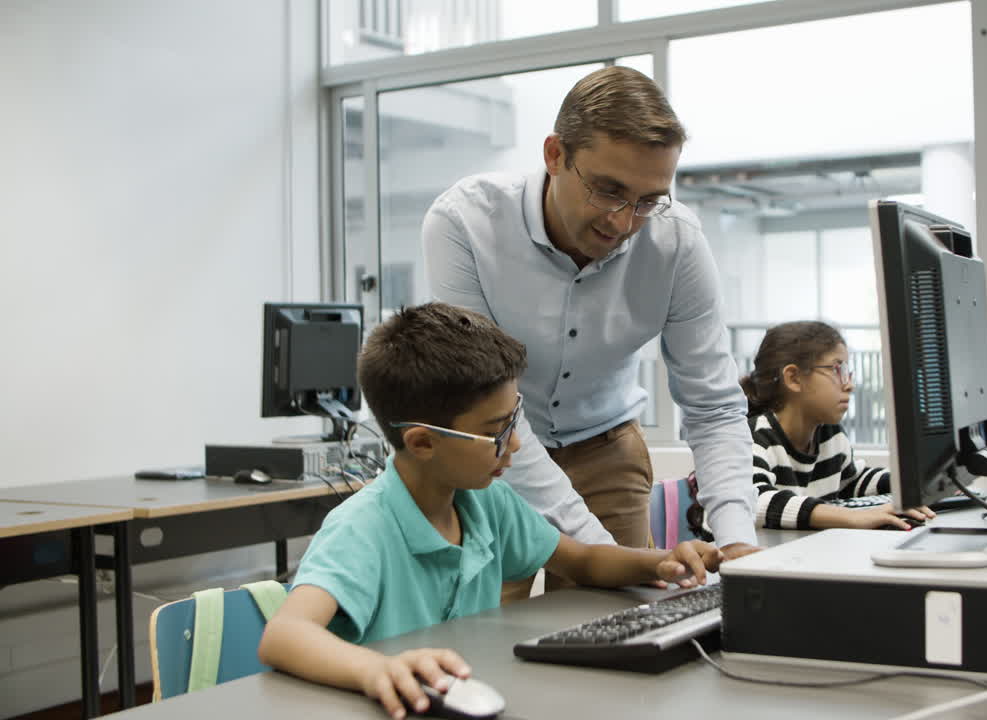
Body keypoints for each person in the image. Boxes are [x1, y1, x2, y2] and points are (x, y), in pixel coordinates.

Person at [258, 303, 722, 719]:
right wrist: (377, 669)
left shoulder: (484, 501)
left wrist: (658, 562)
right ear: (423, 442)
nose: (515, 444)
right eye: (497, 432)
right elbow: (284, 635)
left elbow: (580, 560)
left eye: (514, 421)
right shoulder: (362, 529)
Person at [421, 66, 758, 564]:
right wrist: (606, 559)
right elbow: (487, 401)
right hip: (489, 452)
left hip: (607, 448)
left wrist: (735, 540)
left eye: (648, 201)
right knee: (486, 625)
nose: (623, 222)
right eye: (608, 189)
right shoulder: (465, 224)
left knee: (625, 623)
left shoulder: (677, 241)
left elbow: (714, 405)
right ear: (555, 155)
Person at [739, 321, 934, 531]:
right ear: (793, 378)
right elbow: (754, 501)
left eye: (847, 371)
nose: (849, 384)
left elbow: (851, 481)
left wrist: (918, 484)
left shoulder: (828, 434)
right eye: (836, 369)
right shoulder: (753, 437)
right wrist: (853, 517)